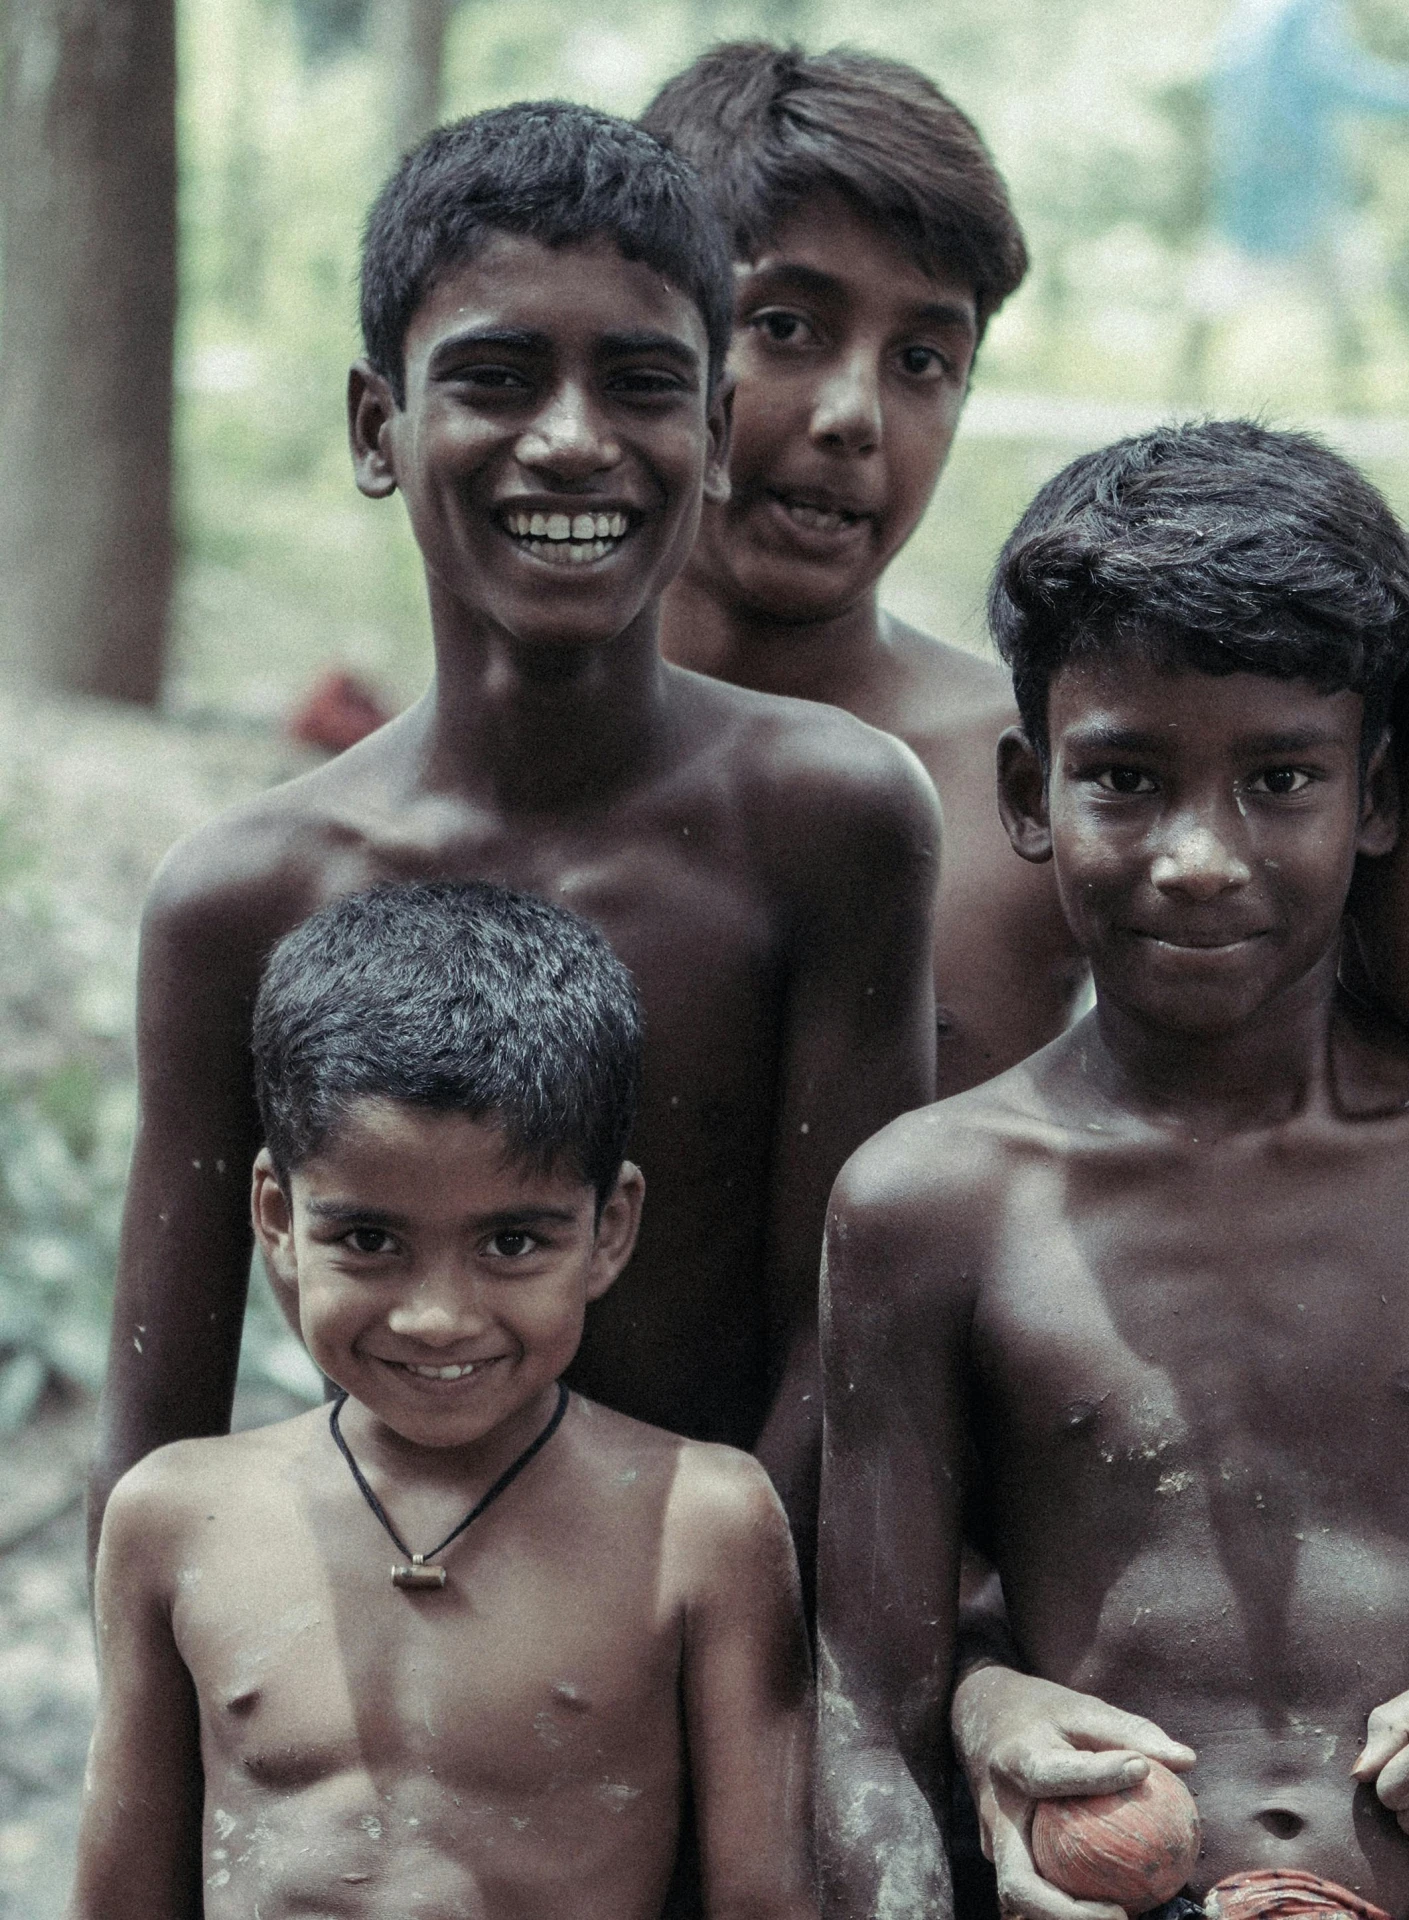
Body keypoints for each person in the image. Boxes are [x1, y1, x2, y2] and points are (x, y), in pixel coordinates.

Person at [814, 424, 1409, 1920]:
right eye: (1124, 778)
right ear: (1027, 790)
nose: (1198, 855)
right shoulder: (931, 1203)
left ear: (1372, 798)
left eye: (1279, 780)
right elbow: (868, 1704)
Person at [89, 101, 940, 1575]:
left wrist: (700, 1667)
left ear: (718, 435)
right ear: (379, 428)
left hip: (725, 1655)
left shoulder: (832, 822)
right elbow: (159, 1460)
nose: (569, 441)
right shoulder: (244, 898)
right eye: (493, 378)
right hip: (380, 1662)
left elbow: (847, 1342)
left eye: (640, 384)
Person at [69, 883, 815, 1920]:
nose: (436, 1317)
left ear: (609, 1230)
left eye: (512, 1242)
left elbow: (766, 1906)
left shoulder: (701, 1521)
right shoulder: (175, 1517)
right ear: (278, 1219)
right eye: (369, 1240)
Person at [642, 44, 1087, 1098]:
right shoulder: (493, 758)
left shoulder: (1042, 788)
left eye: (922, 361)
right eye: (786, 327)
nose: (853, 417)